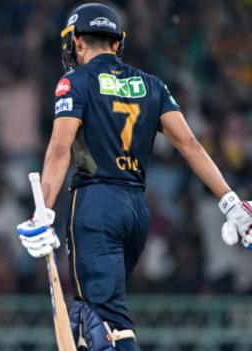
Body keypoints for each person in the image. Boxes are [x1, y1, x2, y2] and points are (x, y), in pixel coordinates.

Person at [16, 3, 252, 350]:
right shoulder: (152, 85)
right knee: (89, 313)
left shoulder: (75, 81)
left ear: (77, 42)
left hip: (96, 205)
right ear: (117, 43)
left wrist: (43, 211)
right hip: (136, 211)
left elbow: (59, 148)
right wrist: (231, 203)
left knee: (108, 320)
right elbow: (189, 145)